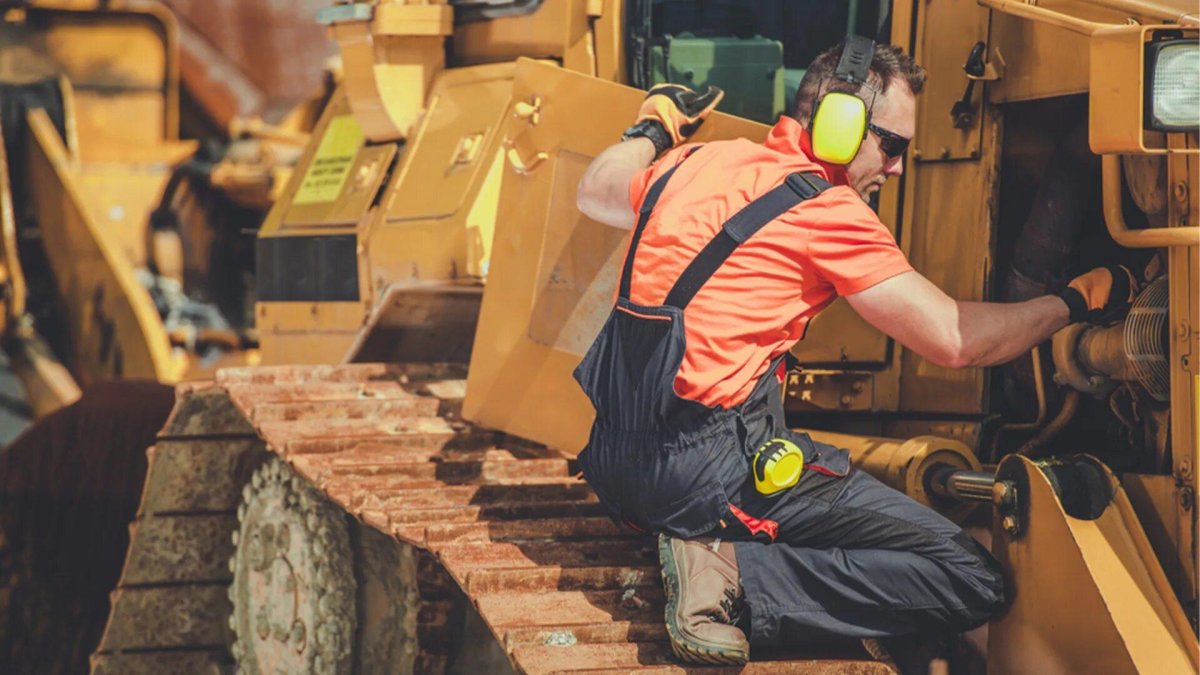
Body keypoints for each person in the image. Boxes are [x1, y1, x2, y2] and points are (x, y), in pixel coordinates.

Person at [572, 36, 1135, 667]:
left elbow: (596, 186)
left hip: (614, 464)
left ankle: (718, 555)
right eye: (891, 144)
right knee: (969, 577)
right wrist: (1076, 302)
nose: (896, 168)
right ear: (840, 125)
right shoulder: (828, 212)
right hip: (703, 480)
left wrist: (655, 123)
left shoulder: (698, 161)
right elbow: (956, 340)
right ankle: (726, 573)